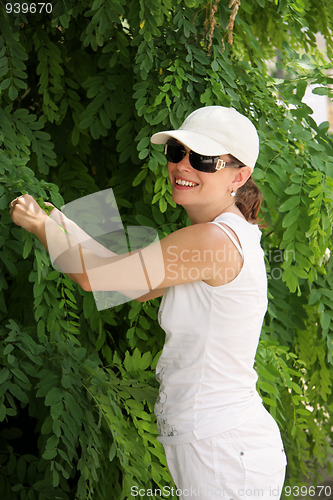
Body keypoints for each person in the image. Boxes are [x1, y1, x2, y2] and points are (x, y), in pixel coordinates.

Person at [10, 106, 287, 499]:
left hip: (222, 449)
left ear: (239, 177)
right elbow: (125, 283)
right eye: (177, 152)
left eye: (205, 159)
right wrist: (63, 225)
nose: (183, 166)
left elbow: (96, 279)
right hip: (215, 443)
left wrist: (40, 226)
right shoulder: (218, 234)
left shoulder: (211, 242)